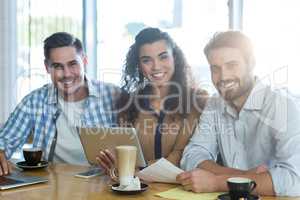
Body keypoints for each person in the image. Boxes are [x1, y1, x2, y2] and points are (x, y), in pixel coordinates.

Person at [176, 31, 300, 196]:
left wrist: (217, 182)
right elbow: (193, 155)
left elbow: (294, 179)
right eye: (215, 69)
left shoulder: (283, 105)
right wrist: (242, 176)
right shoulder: (215, 104)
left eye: (232, 65)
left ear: (251, 63)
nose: (223, 76)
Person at [0, 32, 120, 175]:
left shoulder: (113, 96)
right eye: (58, 66)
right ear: (47, 67)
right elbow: (4, 143)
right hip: (50, 189)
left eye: (72, 64)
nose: (67, 74)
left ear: (85, 61)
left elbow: (136, 150)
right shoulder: (34, 101)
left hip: (102, 186)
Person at [97, 27, 207, 173]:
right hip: (138, 190)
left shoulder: (196, 101)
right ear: (139, 66)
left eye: (163, 57)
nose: (156, 66)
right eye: (147, 60)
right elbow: (124, 156)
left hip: (181, 190)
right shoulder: (128, 105)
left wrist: (136, 169)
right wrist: (113, 163)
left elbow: (178, 156)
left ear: (175, 57)